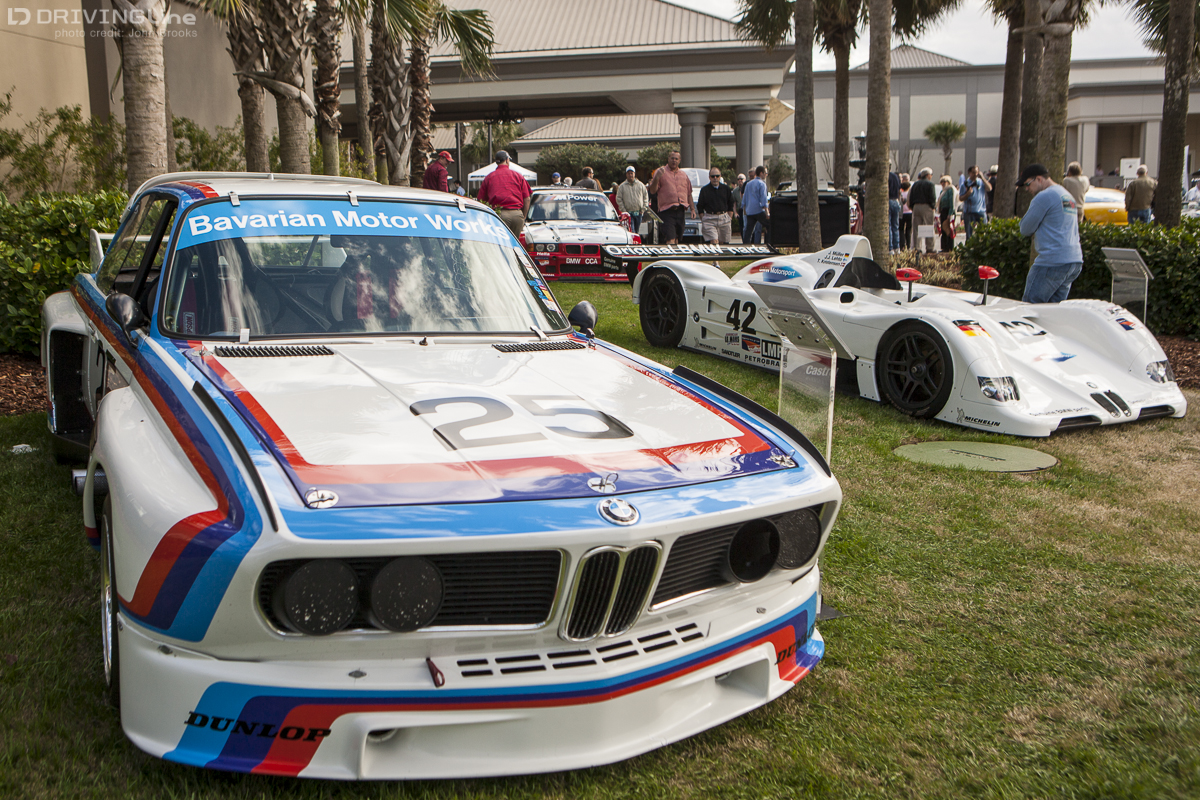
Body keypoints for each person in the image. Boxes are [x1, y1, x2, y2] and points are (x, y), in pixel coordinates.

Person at [1017, 163, 1083, 303]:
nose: (1027, 188)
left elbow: (1025, 228)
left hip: (1052, 262)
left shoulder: (1044, 197)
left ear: (1039, 179)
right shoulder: (1066, 195)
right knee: (1052, 314)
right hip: (1073, 261)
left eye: (1028, 184)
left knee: (1030, 309)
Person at [478, 150, 532, 238]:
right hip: (516, 215)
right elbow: (527, 198)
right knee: (514, 245)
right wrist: (524, 216)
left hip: (499, 213)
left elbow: (481, 201)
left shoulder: (489, 177)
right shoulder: (518, 176)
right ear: (507, 160)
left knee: (500, 245)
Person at [647, 150, 696, 244]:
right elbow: (653, 191)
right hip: (667, 211)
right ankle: (670, 257)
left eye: (676, 159)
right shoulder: (661, 172)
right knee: (670, 238)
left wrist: (692, 209)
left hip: (681, 210)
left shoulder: (683, 175)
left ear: (679, 160)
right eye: (672, 158)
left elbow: (689, 193)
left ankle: (675, 258)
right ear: (668, 159)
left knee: (677, 239)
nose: (674, 160)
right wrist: (657, 178)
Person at [696, 167, 735, 244]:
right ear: (709, 177)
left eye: (717, 176)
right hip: (710, 218)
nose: (715, 178)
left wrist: (730, 217)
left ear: (720, 177)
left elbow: (731, 203)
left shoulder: (726, 188)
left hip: (724, 218)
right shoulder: (704, 190)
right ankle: (714, 255)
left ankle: (721, 256)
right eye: (713, 176)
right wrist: (703, 219)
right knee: (714, 241)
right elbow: (700, 206)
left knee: (724, 243)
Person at [908, 168, 937, 252]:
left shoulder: (915, 184)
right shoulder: (930, 184)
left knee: (916, 228)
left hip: (916, 207)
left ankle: (917, 247)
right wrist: (933, 207)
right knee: (928, 227)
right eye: (931, 175)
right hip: (926, 206)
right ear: (928, 175)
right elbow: (932, 197)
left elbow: (911, 196)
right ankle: (929, 247)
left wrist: (912, 206)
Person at [741, 165, 770, 244]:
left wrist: (744, 209)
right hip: (758, 210)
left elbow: (744, 197)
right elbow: (763, 198)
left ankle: (746, 248)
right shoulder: (762, 184)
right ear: (761, 173)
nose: (766, 175)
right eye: (765, 173)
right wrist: (767, 211)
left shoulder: (748, 184)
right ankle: (769, 244)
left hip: (750, 210)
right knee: (769, 225)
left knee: (748, 231)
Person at [959, 165, 990, 239]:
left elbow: (989, 188)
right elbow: (960, 198)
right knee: (969, 234)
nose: (975, 174)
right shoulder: (965, 184)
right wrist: (967, 194)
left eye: (977, 172)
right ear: (969, 173)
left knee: (984, 232)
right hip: (969, 212)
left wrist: (982, 177)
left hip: (981, 211)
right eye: (973, 172)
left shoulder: (981, 182)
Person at [616, 165, 649, 233]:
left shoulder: (641, 185)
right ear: (626, 174)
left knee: (636, 231)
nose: (630, 175)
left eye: (632, 173)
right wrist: (624, 211)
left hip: (638, 213)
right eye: (628, 173)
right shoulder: (622, 187)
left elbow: (645, 197)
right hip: (629, 214)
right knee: (632, 231)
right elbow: (619, 199)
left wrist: (643, 209)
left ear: (634, 174)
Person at [937, 174, 956, 252]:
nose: (943, 183)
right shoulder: (942, 191)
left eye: (945, 181)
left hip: (948, 211)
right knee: (943, 230)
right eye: (942, 182)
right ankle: (944, 247)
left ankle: (950, 247)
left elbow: (952, 202)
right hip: (943, 211)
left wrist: (950, 213)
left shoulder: (950, 190)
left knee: (949, 230)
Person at [888, 170, 901, 253]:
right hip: (896, 201)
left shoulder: (886, 176)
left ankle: (890, 247)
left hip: (888, 200)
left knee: (888, 225)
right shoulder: (895, 176)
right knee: (895, 226)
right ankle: (897, 247)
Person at [898, 173, 912, 249]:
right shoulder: (910, 192)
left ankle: (902, 245)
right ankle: (908, 245)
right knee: (908, 230)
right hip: (909, 212)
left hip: (902, 213)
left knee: (901, 230)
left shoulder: (900, 193)